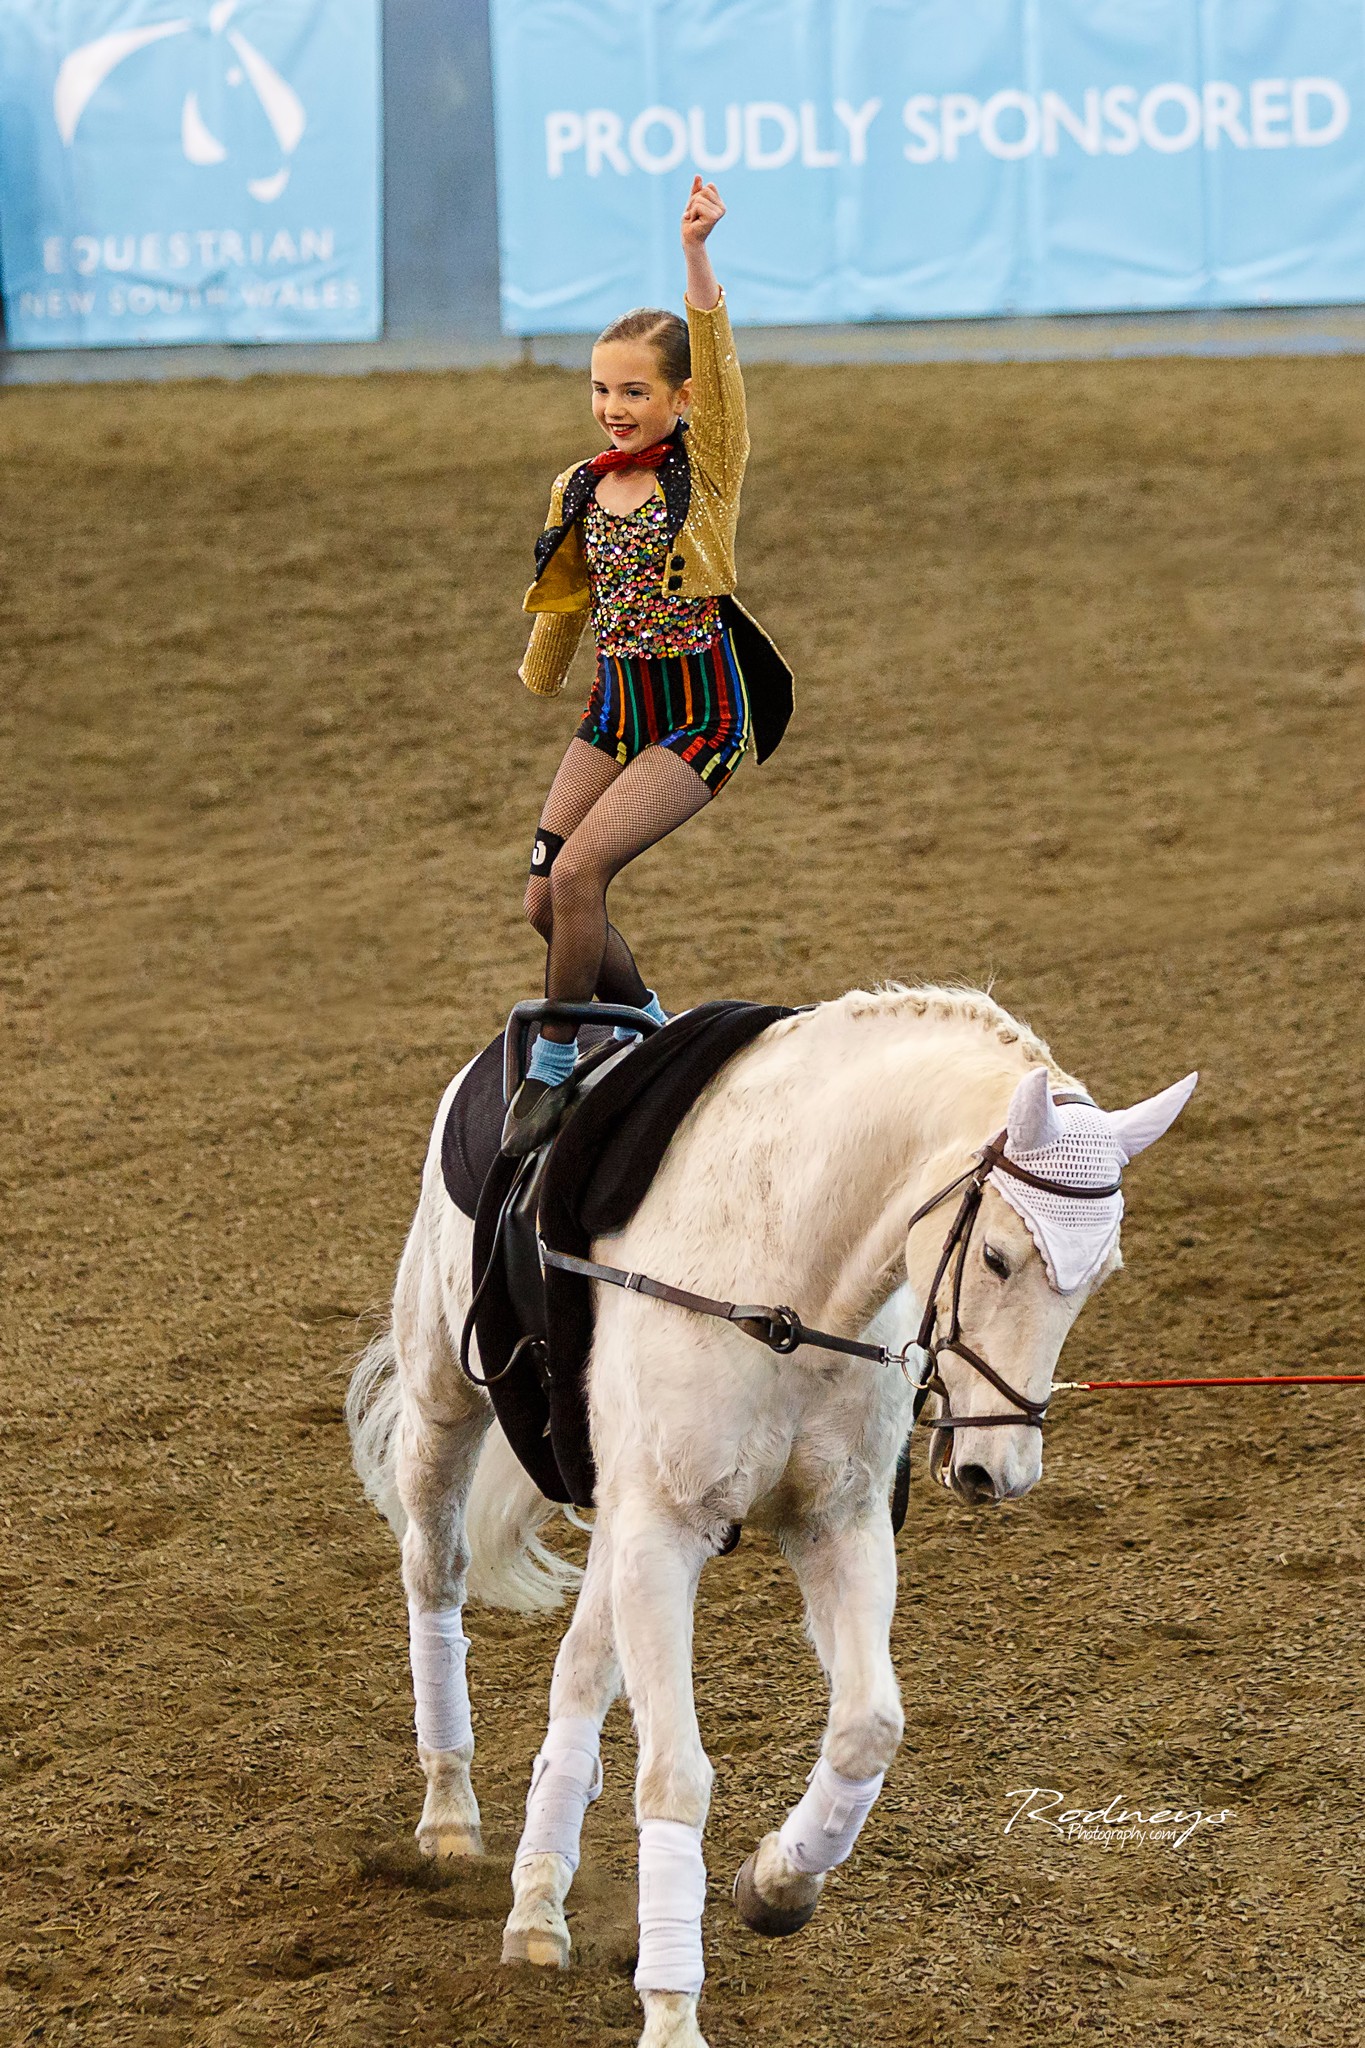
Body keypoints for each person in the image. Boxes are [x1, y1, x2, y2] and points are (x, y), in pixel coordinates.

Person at [504, 175, 794, 1154]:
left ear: (683, 398)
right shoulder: (576, 487)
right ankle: (654, 1031)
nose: (614, 408)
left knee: (581, 871)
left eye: (635, 392)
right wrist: (539, 674)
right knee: (543, 899)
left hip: (700, 720)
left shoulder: (704, 474)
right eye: (601, 389)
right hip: (615, 714)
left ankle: (553, 1069)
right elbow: (564, 599)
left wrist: (696, 256)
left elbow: (718, 355)